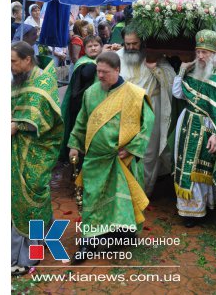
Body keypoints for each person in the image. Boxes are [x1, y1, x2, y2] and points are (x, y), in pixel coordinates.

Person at [67, 51, 155, 264]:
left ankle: (120, 234)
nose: (100, 76)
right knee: (92, 198)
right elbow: (82, 121)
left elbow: (148, 122)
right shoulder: (91, 93)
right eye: (98, 71)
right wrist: (74, 145)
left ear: (117, 70)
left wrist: (133, 148)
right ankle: (88, 242)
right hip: (95, 159)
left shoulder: (134, 94)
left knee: (119, 201)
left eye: (105, 72)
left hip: (120, 159)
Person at [172, 30, 216, 227]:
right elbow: (178, 94)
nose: (201, 57)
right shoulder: (192, 72)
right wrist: (181, 71)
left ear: (213, 53)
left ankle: (205, 205)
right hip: (186, 124)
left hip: (208, 128)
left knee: (203, 168)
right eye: (198, 52)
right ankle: (189, 211)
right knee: (186, 165)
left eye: (205, 53)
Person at [10, 41, 64, 276]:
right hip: (18, 148)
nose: (9, 66)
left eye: (13, 61)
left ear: (27, 60)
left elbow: (40, 116)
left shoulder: (43, 81)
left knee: (29, 196)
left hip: (38, 151)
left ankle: (29, 256)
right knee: (23, 196)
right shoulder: (19, 79)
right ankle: (46, 237)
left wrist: (16, 124)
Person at [116, 27, 177, 197]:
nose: (131, 47)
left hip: (151, 109)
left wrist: (154, 68)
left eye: (135, 43)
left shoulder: (154, 55)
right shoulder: (117, 57)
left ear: (142, 42)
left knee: (149, 153)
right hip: (125, 111)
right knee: (124, 150)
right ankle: (124, 193)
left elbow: (172, 81)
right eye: (127, 44)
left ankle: (143, 193)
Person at [60, 35, 103, 164]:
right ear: (85, 49)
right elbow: (86, 74)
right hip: (80, 106)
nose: (93, 48)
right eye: (90, 46)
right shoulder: (84, 62)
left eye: (96, 45)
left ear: (101, 46)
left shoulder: (100, 60)